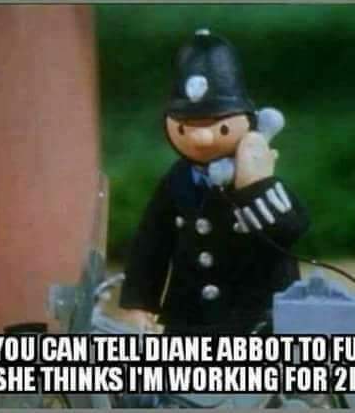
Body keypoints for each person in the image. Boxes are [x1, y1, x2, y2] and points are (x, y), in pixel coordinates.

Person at [118, 29, 310, 334]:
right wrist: (140, 302)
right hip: (189, 316)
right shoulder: (177, 180)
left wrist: (256, 185)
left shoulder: (259, 178)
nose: (201, 138)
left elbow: (290, 230)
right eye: (186, 127)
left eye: (218, 126)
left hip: (255, 317)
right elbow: (151, 244)